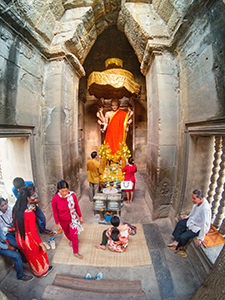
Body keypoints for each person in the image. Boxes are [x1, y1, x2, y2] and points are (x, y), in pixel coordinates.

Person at [13, 188, 53, 277]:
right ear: (27, 198)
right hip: (29, 240)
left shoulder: (15, 210)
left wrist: (28, 208)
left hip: (20, 239)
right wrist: (41, 244)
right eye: (30, 196)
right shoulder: (29, 214)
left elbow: (18, 223)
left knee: (30, 256)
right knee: (39, 254)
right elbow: (33, 233)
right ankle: (42, 272)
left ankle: (35, 271)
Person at [51, 180, 84, 259]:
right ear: (58, 190)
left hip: (73, 219)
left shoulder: (72, 196)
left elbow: (76, 207)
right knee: (67, 233)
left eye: (66, 191)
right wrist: (57, 224)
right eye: (63, 191)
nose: (65, 193)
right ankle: (71, 240)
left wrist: (80, 216)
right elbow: (55, 213)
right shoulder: (55, 199)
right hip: (63, 220)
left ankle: (75, 252)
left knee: (74, 234)